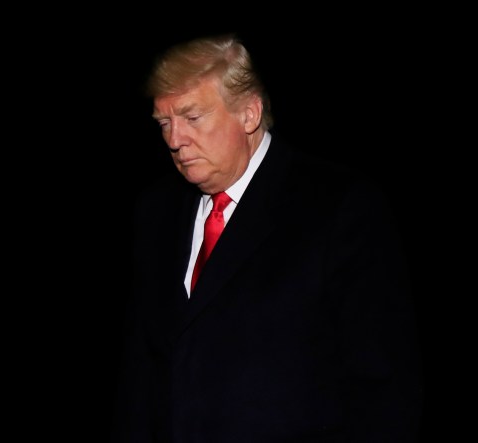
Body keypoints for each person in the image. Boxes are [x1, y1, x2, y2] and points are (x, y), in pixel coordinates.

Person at [110, 33, 423, 442]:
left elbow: (383, 383)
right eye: (164, 123)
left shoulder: (338, 204)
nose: (174, 140)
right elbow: (139, 373)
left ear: (249, 114)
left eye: (191, 117)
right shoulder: (156, 211)